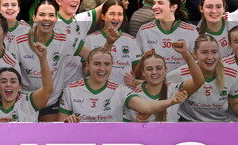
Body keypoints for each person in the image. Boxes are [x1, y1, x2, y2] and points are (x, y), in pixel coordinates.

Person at [60, 47, 188, 123]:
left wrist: (172, 101)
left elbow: (147, 107)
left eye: (107, 64)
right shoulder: (71, 90)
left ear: (112, 66)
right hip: (81, 143)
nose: (102, 68)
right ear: (88, 65)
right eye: (97, 64)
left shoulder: (120, 91)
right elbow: (59, 126)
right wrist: (68, 122)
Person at [167, 35, 238, 122]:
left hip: (220, 123)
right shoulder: (179, 74)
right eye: (204, 52)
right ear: (195, 54)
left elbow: (236, 102)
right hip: (189, 122)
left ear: (219, 53)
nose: (210, 57)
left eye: (214, 52)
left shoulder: (232, 73)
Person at [126, 45, 203, 122]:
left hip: (171, 133)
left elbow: (199, 81)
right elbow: (126, 127)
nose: (154, 72)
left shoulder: (173, 89)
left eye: (159, 68)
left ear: (166, 70)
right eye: (149, 69)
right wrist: (136, 124)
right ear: (143, 72)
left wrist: (186, 53)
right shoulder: (134, 94)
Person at [0, 48, 53, 123]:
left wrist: (43, 59)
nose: (8, 84)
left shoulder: (28, 103)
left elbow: (47, 90)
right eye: (3, 81)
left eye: (13, 81)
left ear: (20, 87)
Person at [135, 0, 199, 71]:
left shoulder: (191, 31)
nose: (154, 7)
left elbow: (197, 63)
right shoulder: (144, 30)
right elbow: (136, 65)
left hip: (182, 82)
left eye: (160, 3)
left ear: (173, 7)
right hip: (154, 82)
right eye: (154, 3)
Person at [83, 0, 139, 86]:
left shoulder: (130, 40)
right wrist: (109, 42)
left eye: (120, 14)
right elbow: (86, 72)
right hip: (99, 94)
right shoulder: (90, 39)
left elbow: (137, 73)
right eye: (111, 13)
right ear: (103, 16)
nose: (116, 18)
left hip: (123, 94)